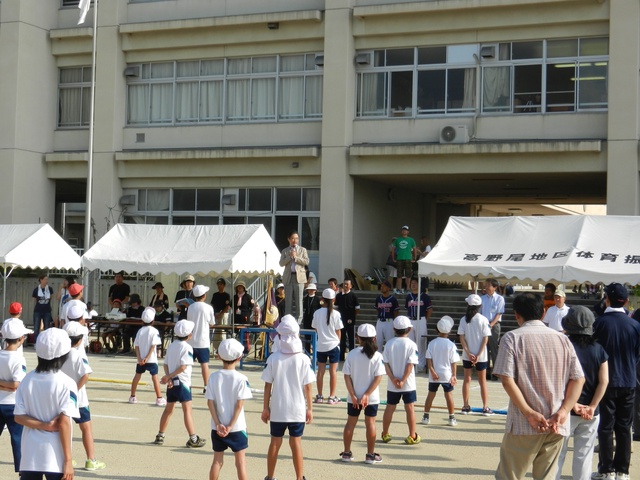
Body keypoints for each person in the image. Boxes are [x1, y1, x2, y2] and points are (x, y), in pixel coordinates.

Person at [493, 292, 584, 480]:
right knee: (546, 476)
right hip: (556, 422)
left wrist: (528, 412)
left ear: (517, 314)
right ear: (543, 312)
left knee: (510, 475)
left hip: (523, 423)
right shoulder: (562, 339)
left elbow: (507, 379)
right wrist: (564, 410)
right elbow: (578, 378)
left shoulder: (512, 338)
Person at [14, 328, 79, 480]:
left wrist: (44, 426)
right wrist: (68, 460)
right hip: (55, 457)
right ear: (64, 354)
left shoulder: (27, 380)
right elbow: (64, 423)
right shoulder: (67, 383)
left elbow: (18, 417)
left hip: (30, 456)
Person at [592, 283, 640, 480]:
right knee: (624, 426)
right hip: (629, 379)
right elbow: (637, 354)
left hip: (606, 380)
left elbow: (595, 351)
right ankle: (623, 470)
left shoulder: (600, 323)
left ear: (607, 300)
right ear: (626, 301)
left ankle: (606, 469)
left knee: (606, 426)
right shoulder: (635, 325)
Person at [555, 306, 608, 480]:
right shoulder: (599, 349)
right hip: (591, 412)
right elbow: (604, 381)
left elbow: (557, 379)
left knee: (557, 455)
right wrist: (592, 406)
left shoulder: (563, 346)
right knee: (584, 456)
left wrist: (573, 404)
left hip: (564, 409)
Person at [261, 315, 316, 480]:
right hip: (297, 408)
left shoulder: (273, 359)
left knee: (275, 442)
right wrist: (310, 408)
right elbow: (308, 386)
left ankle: (270, 476)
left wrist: (265, 407)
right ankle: (299, 477)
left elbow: (267, 385)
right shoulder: (303, 359)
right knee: (296, 442)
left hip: (278, 408)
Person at [153, 319, 207, 448]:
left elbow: (166, 364)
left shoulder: (172, 345)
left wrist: (168, 377)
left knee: (168, 410)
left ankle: (160, 435)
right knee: (187, 410)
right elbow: (183, 367)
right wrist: (170, 376)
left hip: (172, 383)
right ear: (189, 334)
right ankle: (193, 438)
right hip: (182, 382)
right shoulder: (187, 347)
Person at [61, 321, 107, 471]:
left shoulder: (59, 353)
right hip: (79, 399)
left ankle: (65, 458)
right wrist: (76, 388)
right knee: (86, 428)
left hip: (61, 397)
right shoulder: (78, 354)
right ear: (80, 339)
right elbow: (86, 374)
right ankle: (91, 459)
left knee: (63, 427)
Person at [206, 338, 252, 480]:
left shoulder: (213, 377)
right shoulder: (241, 379)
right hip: (237, 427)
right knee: (240, 462)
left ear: (219, 356)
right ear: (239, 357)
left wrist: (218, 423)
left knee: (217, 461)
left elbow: (210, 402)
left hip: (217, 427)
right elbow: (239, 405)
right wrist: (230, 425)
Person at [340, 323, 385, 464]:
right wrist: (366, 395)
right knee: (370, 423)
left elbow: (346, 376)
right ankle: (370, 455)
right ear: (374, 338)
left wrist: (353, 394)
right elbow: (378, 377)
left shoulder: (352, 354)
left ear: (358, 337)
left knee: (350, 423)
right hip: (371, 397)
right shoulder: (377, 356)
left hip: (353, 397)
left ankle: (346, 453)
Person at [380, 315, 420, 445]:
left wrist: (393, 379)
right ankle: (412, 435)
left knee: (390, 407)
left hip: (393, 383)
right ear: (409, 329)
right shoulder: (412, 345)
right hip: (408, 383)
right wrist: (403, 380)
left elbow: (385, 364)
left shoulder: (389, 344)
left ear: (394, 329)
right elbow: (410, 364)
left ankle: (385, 433)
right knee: (410, 408)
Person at [0, 319, 31, 474]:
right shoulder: (19, 359)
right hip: (12, 404)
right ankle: (21, 470)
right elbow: (16, 385)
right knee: (18, 439)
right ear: (20, 339)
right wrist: (7, 385)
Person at [457, 294, 493, 416]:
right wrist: (478, 354)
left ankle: (465, 406)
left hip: (468, 355)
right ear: (479, 306)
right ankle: (485, 407)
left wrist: (468, 353)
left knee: (467, 380)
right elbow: (485, 339)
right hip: (481, 356)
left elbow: (461, 338)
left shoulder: (464, 319)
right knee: (482, 381)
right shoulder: (483, 319)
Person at [422, 316, 460, 426]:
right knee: (448, 395)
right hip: (447, 373)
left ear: (437, 330)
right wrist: (454, 375)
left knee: (430, 395)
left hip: (434, 373)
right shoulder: (451, 345)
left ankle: (426, 416)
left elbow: (429, 360)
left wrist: (432, 370)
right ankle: (451, 418)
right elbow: (454, 362)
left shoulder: (432, 343)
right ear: (449, 330)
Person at [311, 288, 344, 405]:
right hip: (333, 344)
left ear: (322, 299)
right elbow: (338, 331)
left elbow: (315, 327)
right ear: (334, 299)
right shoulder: (336, 314)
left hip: (321, 345)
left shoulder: (317, 313)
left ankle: (319, 395)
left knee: (320, 371)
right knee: (333, 371)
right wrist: (337, 343)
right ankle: (331, 396)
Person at [129, 307, 165, 406]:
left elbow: (136, 346)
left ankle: (132, 396)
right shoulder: (154, 331)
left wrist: (139, 358)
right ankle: (159, 398)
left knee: (137, 376)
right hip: (151, 359)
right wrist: (147, 357)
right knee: (155, 378)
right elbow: (153, 346)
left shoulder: (140, 331)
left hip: (141, 359)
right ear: (153, 320)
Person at [187, 285, 216, 393]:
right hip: (203, 340)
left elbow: (189, 322)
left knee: (188, 364)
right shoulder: (208, 307)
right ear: (204, 296)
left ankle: (187, 384)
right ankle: (206, 386)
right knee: (204, 364)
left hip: (191, 341)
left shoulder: (191, 307)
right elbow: (212, 323)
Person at [279, 230, 309, 325]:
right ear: (289, 239)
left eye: (296, 238)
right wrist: (289, 257)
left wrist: (296, 257)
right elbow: (281, 263)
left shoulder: (302, 250)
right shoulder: (285, 251)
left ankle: (298, 323)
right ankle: (288, 322)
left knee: (299, 300)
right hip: (288, 277)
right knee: (288, 301)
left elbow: (306, 261)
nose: (294, 240)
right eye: (292, 238)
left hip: (299, 278)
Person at [405, 277, 432, 371]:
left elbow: (429, 310)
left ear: (419, 284)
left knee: (421, 342)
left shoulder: (424, 296)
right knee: (411, 342)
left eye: (415, 283)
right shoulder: (409, 297)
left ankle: (421, 363)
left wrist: (425, 320)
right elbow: (407, 309)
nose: (413, 285)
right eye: (412, 283)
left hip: (420, 319)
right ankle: (412, 362)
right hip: (411, 319)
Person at [481, 278, 505, 381]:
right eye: (486, 285)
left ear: (494, 287)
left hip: (494, 325)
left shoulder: (499, 299)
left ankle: (495, 372)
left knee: (494, 348)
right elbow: (480, 312)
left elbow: (499, 313)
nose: (486, 287)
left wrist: (491, 324)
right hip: (483, 325)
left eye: (489, 285)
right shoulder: (482, 298)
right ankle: (486, 371)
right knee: (484, 348)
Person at [336, 278, 360, 362]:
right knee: (342, 339)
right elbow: (335, 307)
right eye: (344, 284)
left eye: (347, 284)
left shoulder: (353, 295)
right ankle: (341, 357)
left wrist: (352, 316)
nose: (345, 286)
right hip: (341, 321)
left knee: (351, 339)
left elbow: (357, 308)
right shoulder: (339, 296)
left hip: (350, 321)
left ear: (350, 286)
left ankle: (351, 357)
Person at [374, 280, 400, 351]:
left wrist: (393, 321)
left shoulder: (393, 299)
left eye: (384, 286)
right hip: (380, 321)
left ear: (388, 288)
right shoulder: (378, 298)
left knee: (390, 341)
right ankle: (378, 358)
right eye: (381, 286)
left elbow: (396, 311)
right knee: (378, 341)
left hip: (389, 321)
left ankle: (390, 358)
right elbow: (377, 309)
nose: (382, 287)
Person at [392, 225, 417, 294]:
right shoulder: (397, 240)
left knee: (408, 275)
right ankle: (399, 289)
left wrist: (414, 258)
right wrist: (393, 258)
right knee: (399, 275)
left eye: (405, 230)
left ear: (408, 232)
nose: (404, 231)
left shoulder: (411, 240)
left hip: (408, 258)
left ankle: (408, 289)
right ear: (401, 231)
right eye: (403, 230)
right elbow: (393, 249)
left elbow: (414, 249)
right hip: (399, 258)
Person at [32, 274, 54, 340]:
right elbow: (35, 300)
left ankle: (46, 341)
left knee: (47, 327)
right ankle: (36, 342)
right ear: (41, 280)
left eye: (47, 279)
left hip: (47, 310)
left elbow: (50, 298)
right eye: (45, 279)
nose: (46, 281)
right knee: (36, 327)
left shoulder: (50, 289)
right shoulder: (36, 289)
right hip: (38, 310)